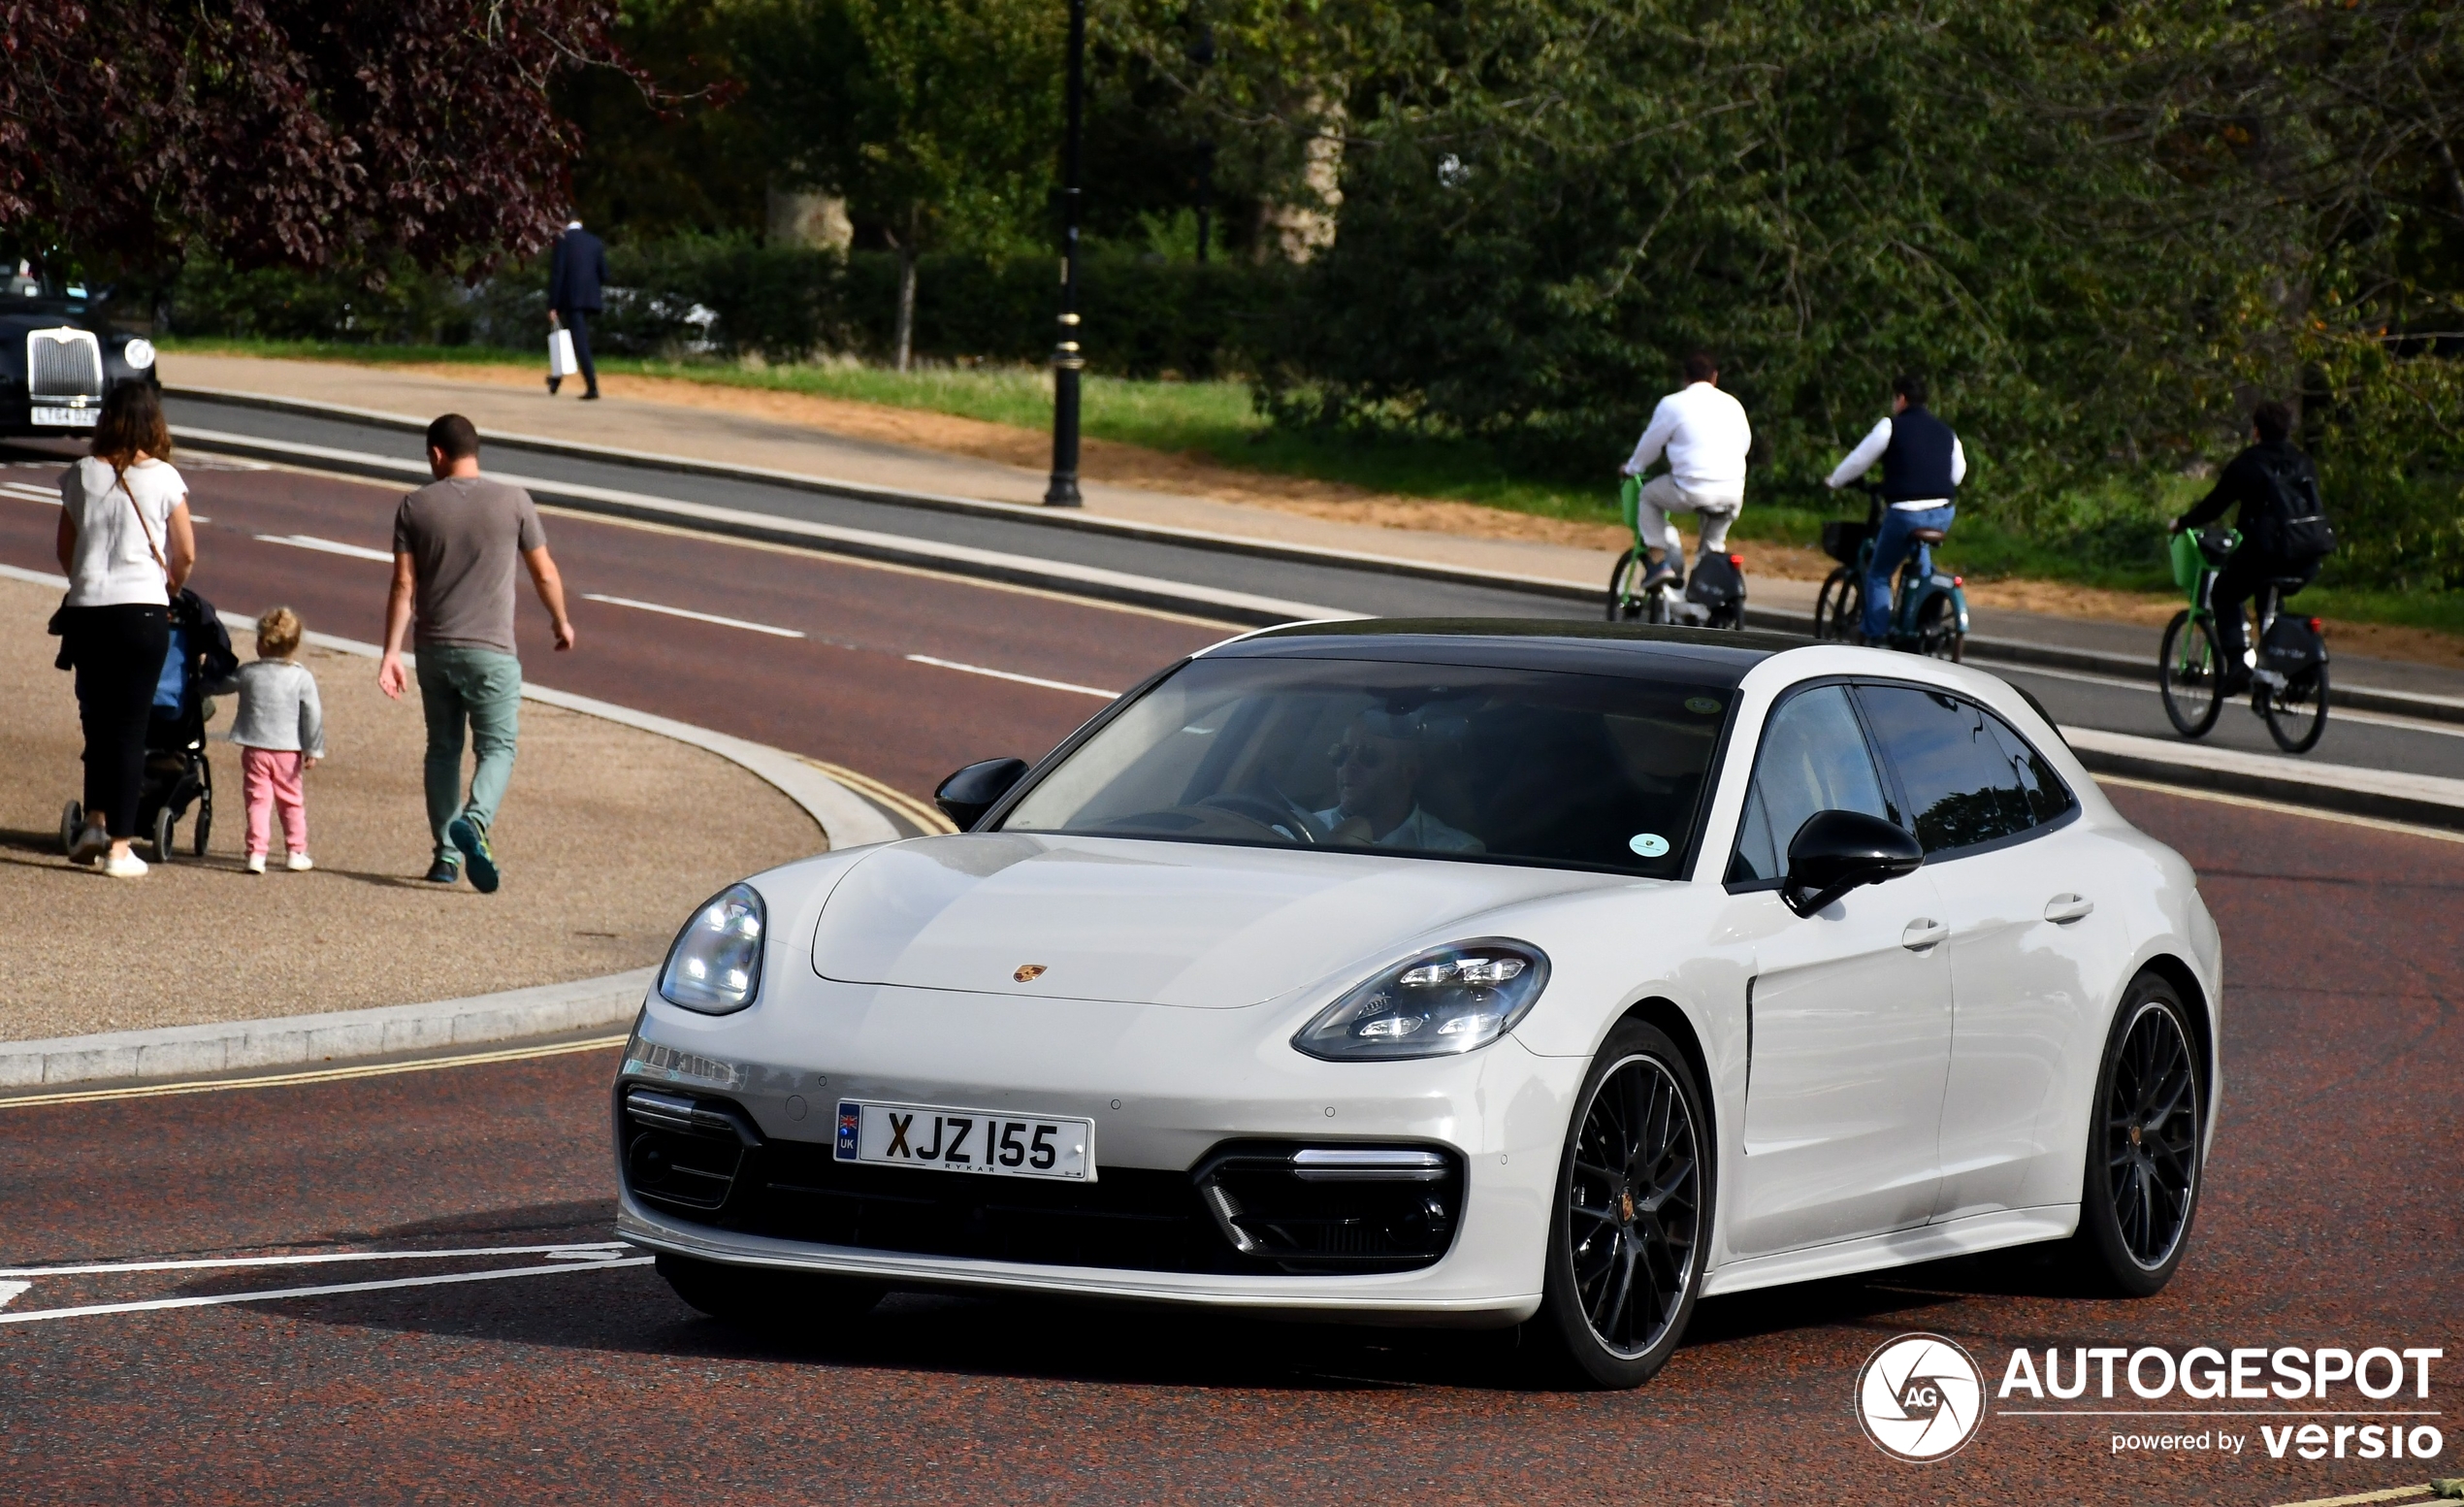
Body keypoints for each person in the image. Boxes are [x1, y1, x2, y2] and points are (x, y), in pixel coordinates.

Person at [377, 414, 576, 892]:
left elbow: (404, 583)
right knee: (498, 747)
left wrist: (391, 652)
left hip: (434, 648)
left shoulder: (414, 506)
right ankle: (477, 820)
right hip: (492, 652)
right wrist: (560, 620)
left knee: (443, 749)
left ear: (437, 454)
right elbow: (544, 572)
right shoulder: (514, 501)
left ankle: (445, 856)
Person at [53, 382, 196, 879]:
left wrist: (87, 582)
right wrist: (171, 586)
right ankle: (119, 844)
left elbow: (65, 546)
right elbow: (186, 551)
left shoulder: (81, 474)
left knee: (97, 720)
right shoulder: (164, 478)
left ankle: (94, 821)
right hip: (142, 610)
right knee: (131, 729)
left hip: (89, 608)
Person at [2169, 400, 2326, 695]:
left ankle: (2240, 662)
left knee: (2225, 593)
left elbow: (2214, 506)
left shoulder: (2248, 463)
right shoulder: (2304, 462)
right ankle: (2277, 668)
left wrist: (2182, 523)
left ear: (2256, 431)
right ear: (2288, 430)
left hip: (2266, 552)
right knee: (2270, 600)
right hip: (2308, 555)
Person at [1826, 373, 1968, 643]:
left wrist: (1835, 480)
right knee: (1920, 562)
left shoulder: (1891, 426)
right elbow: (1958, 474)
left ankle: (1875, 636)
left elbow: (1859, 460)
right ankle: (1919, 616)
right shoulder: (1946, 432)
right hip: (1943, 512)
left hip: (1905, 513)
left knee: (1879, 573)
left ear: (1901, 398)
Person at [1618, 350, 1753, 591]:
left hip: (1691, 489)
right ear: (1715, 377)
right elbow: (1744, 445)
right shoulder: (1734, 405)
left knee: (1648, 496)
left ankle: (1660, 564)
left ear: (1685, 378)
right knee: (1712, 546)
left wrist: (1632, 468)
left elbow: (1650, 444)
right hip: (1732, 492)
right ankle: (1704, 593)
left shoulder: (1673, 404)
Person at [210, 606, 324, 874]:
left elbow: (219, 685)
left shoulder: (248, 673)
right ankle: (296, 850)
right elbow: (312, 712)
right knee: (291, 800)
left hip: (255, 746)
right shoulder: (301, 677)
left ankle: (256, 853)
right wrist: (313, 747)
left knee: (257, 801)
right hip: (288, 749)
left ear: (261, 642)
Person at [1311, 712, 1483, 853]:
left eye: (1369, 755)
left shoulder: (1455, 853)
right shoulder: (1300, 831)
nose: (1349, 764)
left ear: (1410, 772)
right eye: (1341, 752)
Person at [546, 218, 607, 400]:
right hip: (591, 298)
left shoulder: (563, 240)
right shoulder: (595, 241)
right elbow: (604, 273)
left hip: (571, 300)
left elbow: (558, 273)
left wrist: (553, 304)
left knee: (578, 342)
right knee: (569, 339)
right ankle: (556, 380)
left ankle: (592, 385)